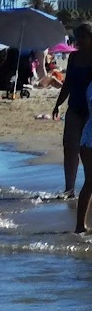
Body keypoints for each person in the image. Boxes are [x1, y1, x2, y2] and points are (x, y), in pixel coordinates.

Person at [53, 24, 92, 195]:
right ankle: (69, 189)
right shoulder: (73, 58)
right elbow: (68, 83)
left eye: (83, 36)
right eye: (78, 36)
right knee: (70, 147)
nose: (80, 40)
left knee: (89, 151)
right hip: (75, 107)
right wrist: (58, 104)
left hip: (91, 111)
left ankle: (88, 188)